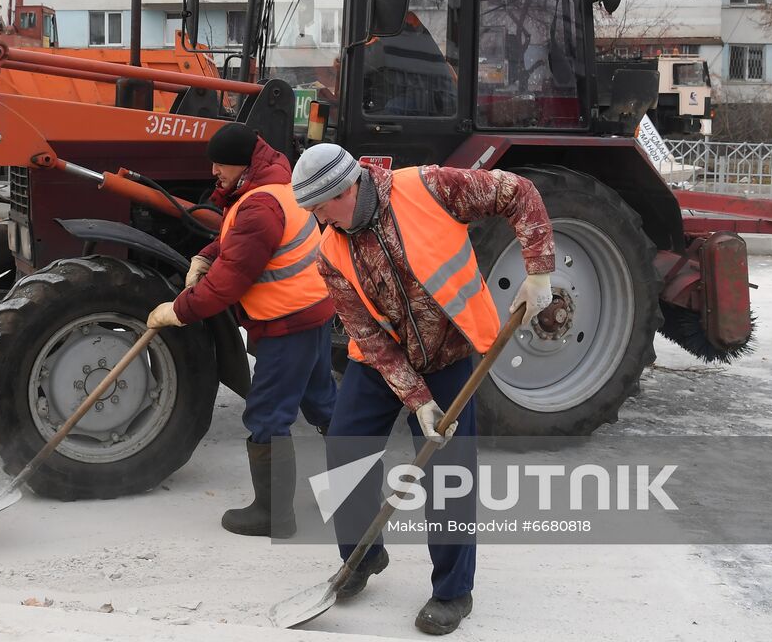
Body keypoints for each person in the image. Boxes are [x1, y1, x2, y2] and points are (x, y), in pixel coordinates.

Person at [290, 143, 555, 636]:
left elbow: (518, 192)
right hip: (380, 361)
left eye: (320, 206)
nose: (317, 219)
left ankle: (453, 592)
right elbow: (365, 333)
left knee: (448, 472)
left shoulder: (429, 187)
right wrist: (418, 400)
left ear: (347, 188)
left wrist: (538, 270)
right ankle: (362, 558)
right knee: (345, 449)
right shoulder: (330, 251)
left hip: (450, 354)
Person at [147, 123, 337, 538]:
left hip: (287, 322)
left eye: (221, 164)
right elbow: (241, 238)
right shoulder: (278, 185)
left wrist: (178, 312)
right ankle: (357, 491)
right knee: (323, 403)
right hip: (314, 311)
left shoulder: (258, 206)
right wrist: (204, 254)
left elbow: (229, 282)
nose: (214, 171)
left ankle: (274, 516)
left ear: (243, 164)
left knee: (268, 413)